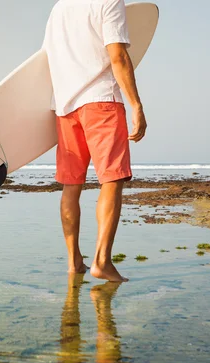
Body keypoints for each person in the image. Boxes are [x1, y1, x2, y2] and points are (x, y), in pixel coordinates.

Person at [43, 0, 147, 282]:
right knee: (112, 179)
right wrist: (136, 105)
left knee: (71, 186)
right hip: (101, 100)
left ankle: (74, 261)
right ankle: (102, 261)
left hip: (65, 107)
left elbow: (48, 60)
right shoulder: (108, 1)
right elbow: (118, 57)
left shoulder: (59, 8)